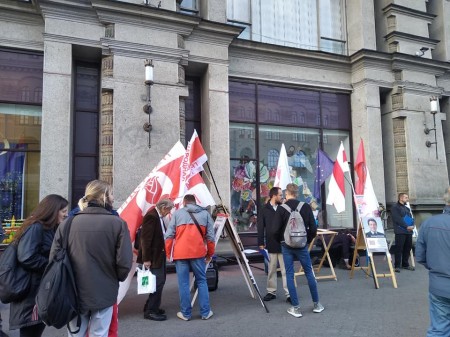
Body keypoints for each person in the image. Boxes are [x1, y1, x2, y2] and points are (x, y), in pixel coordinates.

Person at [51, 180, 132, 337]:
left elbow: (54, 259)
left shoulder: (68, 223)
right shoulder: (118, 223)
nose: (114, 198)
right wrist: (116, 278)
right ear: (104, 196)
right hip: (104, 291)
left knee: (74, 334)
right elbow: (124, 263)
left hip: (72, 291)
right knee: (99, 334)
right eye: (112, 193)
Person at [9, 194, 68, 337]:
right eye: (63, 211)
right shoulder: (36, 228)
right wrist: (51, 267)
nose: (66, 214)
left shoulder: (47, 228)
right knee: (30, 332)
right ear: (53, 211)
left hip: (37, 289)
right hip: (31, 292)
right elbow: (27, 256)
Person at [274, 183, 324, 318]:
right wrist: (307, 240)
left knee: (289, 274)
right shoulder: (306, 207)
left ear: (286, 193)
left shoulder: (281, 209)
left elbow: (275, 230)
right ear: (297, 193)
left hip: (287, 246)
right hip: (302, 246)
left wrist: (282, 241)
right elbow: (313, 228)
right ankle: (316, 304)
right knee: (309, 272)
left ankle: (296, 307)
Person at [165, 194, 215, 321]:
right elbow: (210, 238)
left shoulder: (177, 214)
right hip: (198, 253)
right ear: (195, 202)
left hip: (180, 254)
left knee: (183, 284)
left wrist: (168, 253)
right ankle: (205, 312)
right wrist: (210, 254)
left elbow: (169, 236)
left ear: (184, 202)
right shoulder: (205, 214)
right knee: (202, 281)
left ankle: (186, 314)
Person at [416, 187, 450, 336]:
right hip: (440, 283)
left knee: (439, 329)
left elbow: (420, 257)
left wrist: (436, 267)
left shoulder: (429, 223)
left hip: (439, 285)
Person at [137, 198, 174, 321]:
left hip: (158, 255)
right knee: (157, 283)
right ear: (163, 208)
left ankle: (152, 306)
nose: (168, 212)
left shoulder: (156, 216)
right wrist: (146, 259)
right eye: (169, 210)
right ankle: (150, 311)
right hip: (153, 256)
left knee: (159, 281)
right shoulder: (152, 216)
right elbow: (145, 240)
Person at [257, 187, 290, 303]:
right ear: (274, 196)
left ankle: (289, 293)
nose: (282, 197)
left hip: (284, 243)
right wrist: (260, 242)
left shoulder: (284, 208)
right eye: (280, 195)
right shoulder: (264, 209)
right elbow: (260, 227)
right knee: (271, 269)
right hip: (271, 243)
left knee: (286, 269)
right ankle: (271, 291)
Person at [391, 193, 415, 273]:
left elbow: (410, 218)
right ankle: (397, 265)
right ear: (401, 198)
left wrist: (412, 225)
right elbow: (397, 219)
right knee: (399, 248)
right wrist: (406, 226)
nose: (407, 199)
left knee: (408, 247)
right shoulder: (395, 207)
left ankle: (405, 264)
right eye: (406, 197)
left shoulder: (406, 208)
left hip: (408, 231)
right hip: (400, 231)